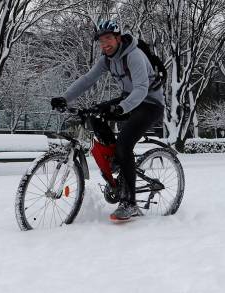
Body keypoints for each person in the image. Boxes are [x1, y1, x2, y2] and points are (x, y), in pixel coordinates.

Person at [51, 19, 164, 222]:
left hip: (150, 104)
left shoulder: (134, 56)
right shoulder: (107, 59)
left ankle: (130, 203)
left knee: (125, 143)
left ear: (118, 38)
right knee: (95, 114)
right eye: (101, 41)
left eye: (109, 39)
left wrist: (120, 108)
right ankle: (117, 161)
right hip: (129, 100)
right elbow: (87, 79)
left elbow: (141, 89)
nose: (105, 45)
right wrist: (64, 97)